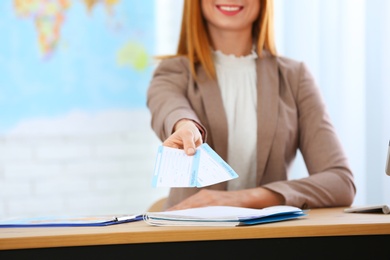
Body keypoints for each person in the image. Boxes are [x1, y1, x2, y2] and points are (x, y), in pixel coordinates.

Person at [147, 0, 356, 211]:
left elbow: (340, 181)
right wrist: (185, 127)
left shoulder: (294, 77)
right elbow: (170, 108)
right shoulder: (172, 72)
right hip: (188, 236)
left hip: (270, 238)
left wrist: (246, 199)